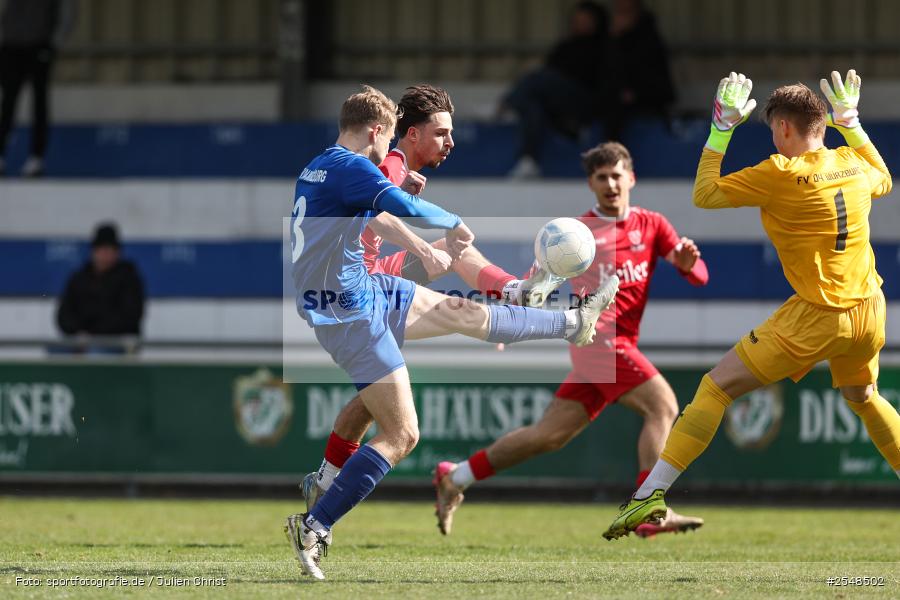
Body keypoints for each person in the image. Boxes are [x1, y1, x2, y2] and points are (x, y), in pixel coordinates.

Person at [283, 85, 619, 580]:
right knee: (401, 433)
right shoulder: (362, 165)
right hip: (349, 309)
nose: (391, 149)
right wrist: (450, 229)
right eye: (393, 137)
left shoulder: (321, 165)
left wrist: (422, 248)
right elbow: (393, 203)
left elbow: (376, 214)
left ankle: (573, 320)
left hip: (361, 286)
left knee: (462, 315)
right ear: (380, 131)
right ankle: (314, 524)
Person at [603, 70, 899, 540]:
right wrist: (853, 121)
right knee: (864, 399)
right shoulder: (853, 163)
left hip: (817, 314)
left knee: (715, 389)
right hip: (869, 309)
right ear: (822, 123)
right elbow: (885, 176)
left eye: (772, 131)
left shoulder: (780, 173)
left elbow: (704, 193)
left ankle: (648, 496)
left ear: (783, 127)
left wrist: (721, 129)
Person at [432, 142, 709, 537]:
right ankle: (649, 510)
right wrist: (509, 324)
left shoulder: (652, 225)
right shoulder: (574, 236)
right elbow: (535, 286)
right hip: (599, 342)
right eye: (602, 178)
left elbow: (700, 275)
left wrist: (687, 265)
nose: (611, 184)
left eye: (617, 175)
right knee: (663, 406)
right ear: (591, 184)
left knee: (548, 436)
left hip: (616, 348)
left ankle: (455, 476)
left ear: (631, 178)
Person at [504, 1, 609, 178]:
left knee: (538, 79)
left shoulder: (604, 46)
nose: (580, 23)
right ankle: (528, 160)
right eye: (578, 19)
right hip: (557, 104)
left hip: (586, 101)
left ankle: (505, 105)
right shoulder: (566, 46)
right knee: (533, 106)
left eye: (585, 20)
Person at [0, 0, 77, 177]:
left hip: (39, 45)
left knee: (39, 102)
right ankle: (1, 153)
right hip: (11, 45)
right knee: (8, 101)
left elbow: (67, 13)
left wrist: (54, 44)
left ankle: (36, 158)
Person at [56, 222, 145, 351]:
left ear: (117, 253)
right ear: (94, 251)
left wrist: (94, 335)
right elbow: (64, 314)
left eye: (110, 250)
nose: (105, 255)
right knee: (56, 353)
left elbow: (129, 316)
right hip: (80, 341)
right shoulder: (79, 278)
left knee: (97, 354)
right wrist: (78, 333)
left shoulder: (129, 278)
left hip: (115, 343)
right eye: (102, 250)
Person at [603, 0, 675, 142]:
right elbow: (609, 72)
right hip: (620, 95)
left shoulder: (649, 38)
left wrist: (634, 92)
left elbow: (653, 77)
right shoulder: (611, 39)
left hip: (649, 95)